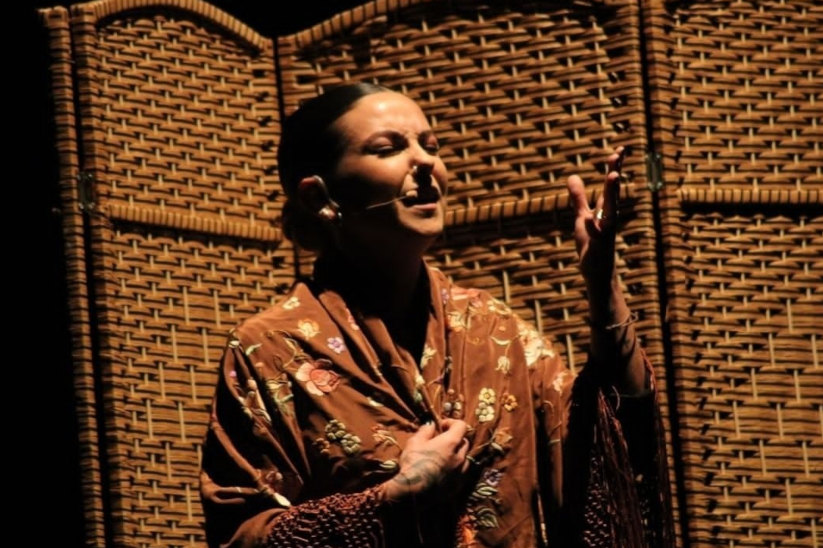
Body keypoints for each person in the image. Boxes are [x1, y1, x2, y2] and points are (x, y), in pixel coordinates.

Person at [200, 82, 673, 547]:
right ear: (318, 197)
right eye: (388, 148)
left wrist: (603, 287)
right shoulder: (269, 350)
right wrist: (392, 500)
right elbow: (239, 536)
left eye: (431, 145)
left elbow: (610, 444)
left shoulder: (491, 327)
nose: (425, 162)